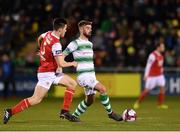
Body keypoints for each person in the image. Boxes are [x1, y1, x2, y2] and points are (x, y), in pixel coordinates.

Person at [3, 18, 78, 124]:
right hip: (47, 73)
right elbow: (61, 63)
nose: (66, 31)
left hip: (52, 72)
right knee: (36, 99)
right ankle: (10, 111)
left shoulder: (47, 34)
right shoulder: (56, 44)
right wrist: (73, 63)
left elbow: (40, 38)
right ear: (60, 30)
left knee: (72, 84)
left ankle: (64, 111)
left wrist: (42, 50)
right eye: (65, 29)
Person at [62, 20, 123, 122]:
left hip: (91, 75)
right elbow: (62, 56)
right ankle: (110, 113)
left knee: (90, 101)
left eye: (90, 28)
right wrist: (67, 64)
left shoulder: (90, 44)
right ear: (81, 29)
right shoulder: (75, 43)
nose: (90, 30)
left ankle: (74, 116)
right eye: (87, 28)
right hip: (83, 76)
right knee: (103, 89)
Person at [133, 42, 168, 109]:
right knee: (147, 90)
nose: (163, 48)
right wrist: (146, 75)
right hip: (152, 76)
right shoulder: (152, 55)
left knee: (162, 89)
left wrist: (161, 70)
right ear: (158, 47)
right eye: (162, 47)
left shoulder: (161, 55)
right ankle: (137, 102)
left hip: (159, 75)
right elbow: (148, 65)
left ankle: (160, 104)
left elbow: (160, 65)